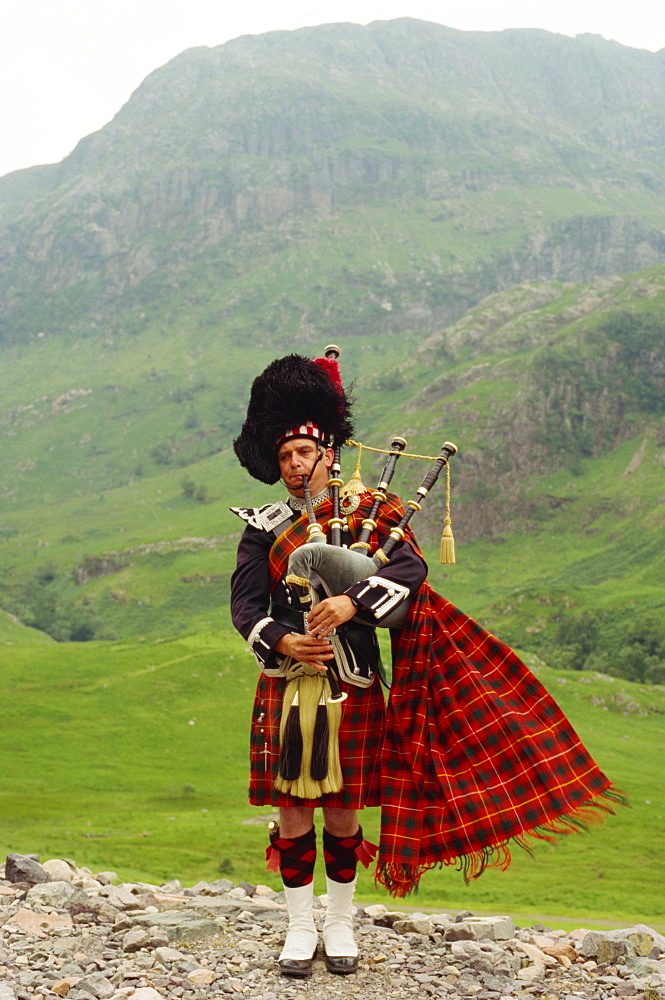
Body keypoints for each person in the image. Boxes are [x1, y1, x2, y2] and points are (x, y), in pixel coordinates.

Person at [230, 351, 625, 979]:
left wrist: (348, 599)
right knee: (293, 807)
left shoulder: (370, 516)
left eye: (304, 453)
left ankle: (339, 923)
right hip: (289, 682)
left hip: (354, 679)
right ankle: (299, 927)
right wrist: (283, 641)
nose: (295, 466)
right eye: (284, 458)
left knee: (343, 807)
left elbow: (410, 572)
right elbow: (245, 606)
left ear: (329, 452)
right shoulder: (264, 528)